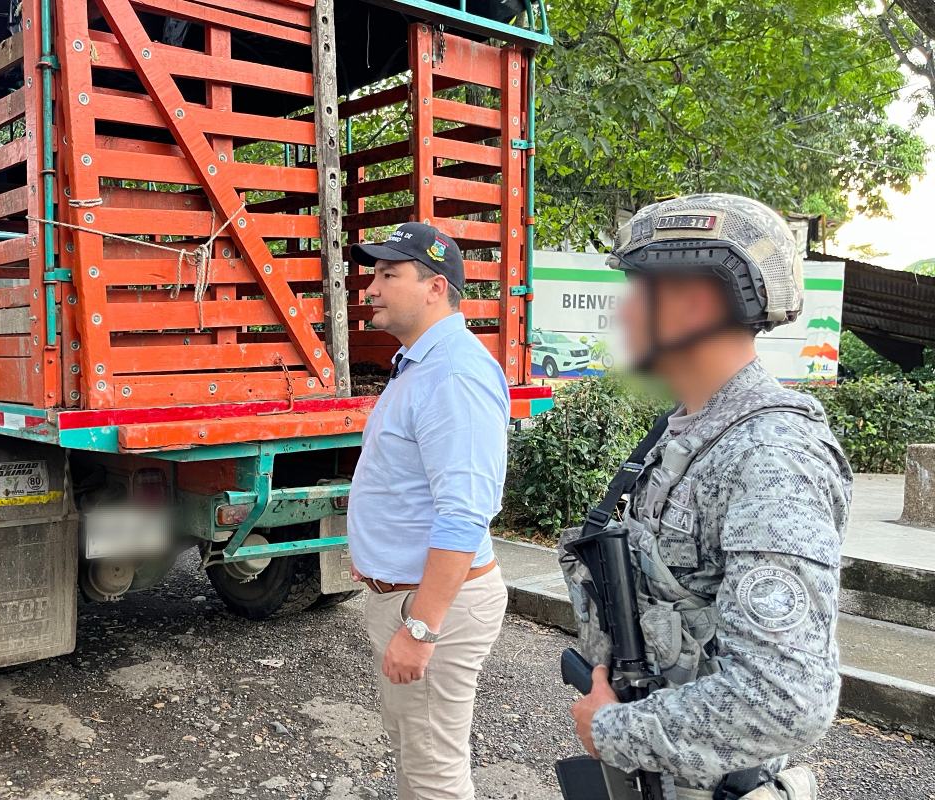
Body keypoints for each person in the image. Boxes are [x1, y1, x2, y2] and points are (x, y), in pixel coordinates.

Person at [560, 194, 852, 800]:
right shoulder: (684, 431)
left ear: (693, 305)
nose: (623, 315)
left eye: (637, 292)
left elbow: (784, 698)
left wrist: (615, 731)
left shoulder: (771, 456)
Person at [345, 222, 511, 800]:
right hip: (412, 595)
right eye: (375, 274)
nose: (370, 288)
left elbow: (465, 516)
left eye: (389, 275)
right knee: (417, 756)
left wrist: (420, 627)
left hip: (437, 606)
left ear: (435, 287)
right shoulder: (421, 364)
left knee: (434, 775)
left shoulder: (455, 374)